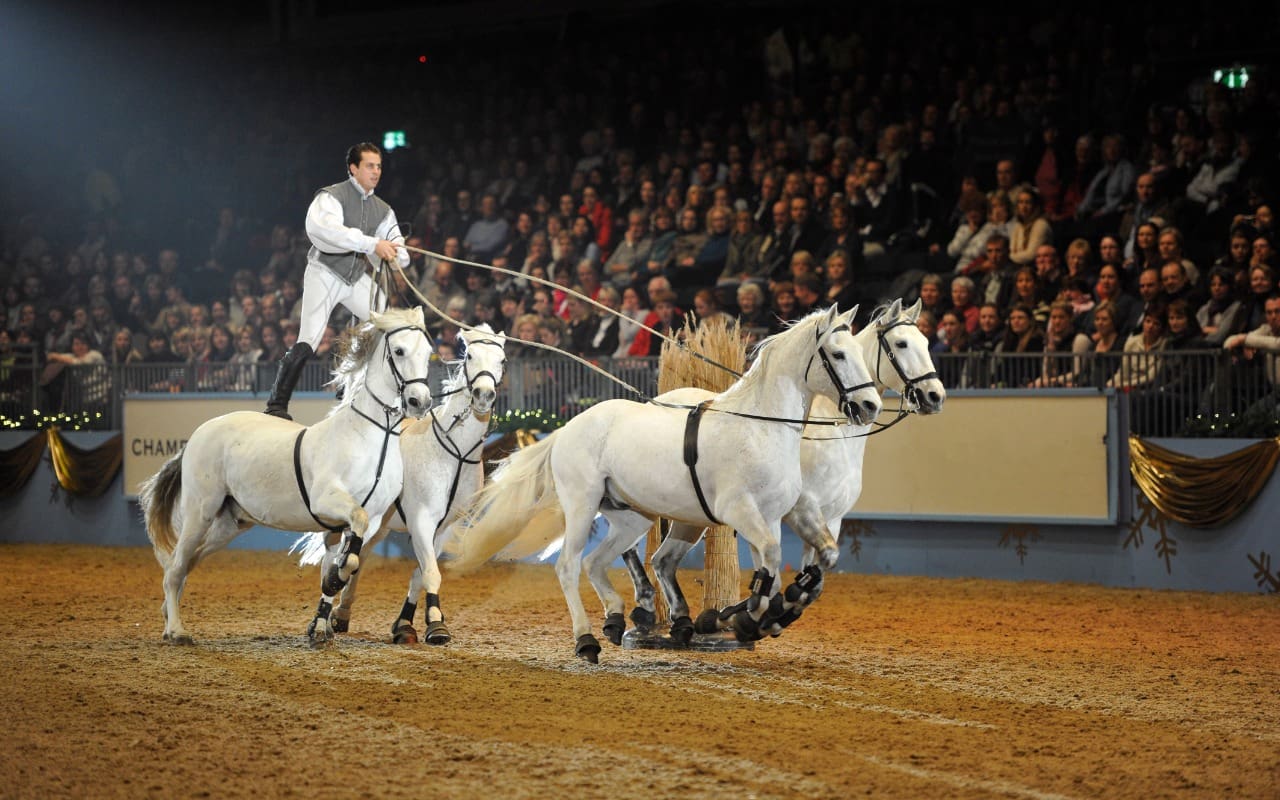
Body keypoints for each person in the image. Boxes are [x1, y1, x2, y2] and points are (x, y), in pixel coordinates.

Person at [265, 142, 408, 419]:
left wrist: (396, 253)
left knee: (384, 321)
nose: (376, 171)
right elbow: (328, 232)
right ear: (353, 169)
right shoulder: (330, 197)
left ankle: (350, 387)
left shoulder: (383, 210)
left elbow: (396, 246)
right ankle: (276, 404)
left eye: (378, 166)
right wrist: (373, 244)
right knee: (310, 336)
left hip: (354, 276)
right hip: (325, 271)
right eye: (369, 166)